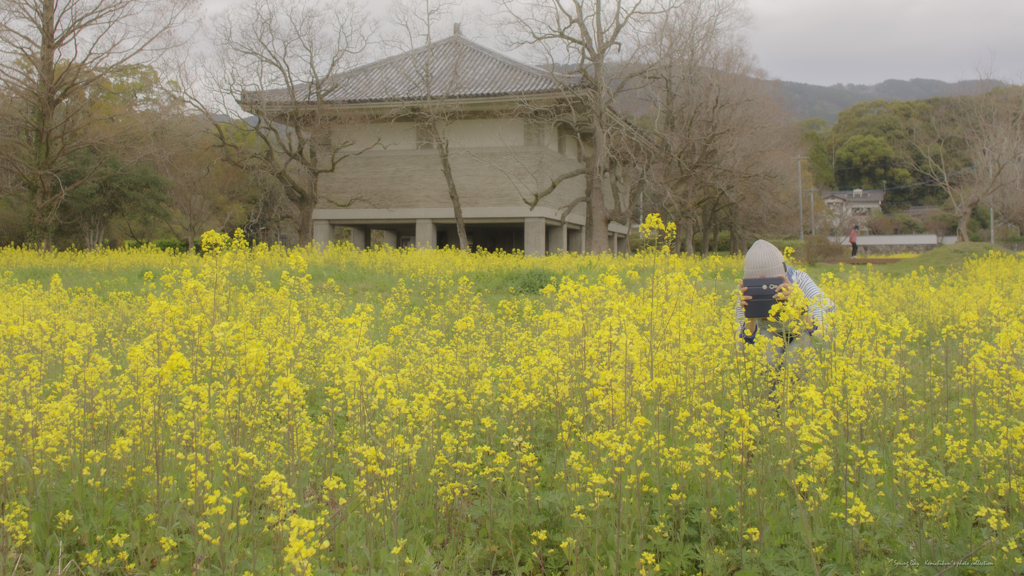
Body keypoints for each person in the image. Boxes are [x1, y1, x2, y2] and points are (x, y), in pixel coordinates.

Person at [736, 240, 835, 397]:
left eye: (770, 285)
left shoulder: (801, 282)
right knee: (762, 362)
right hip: (770, 334)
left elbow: (824, 335)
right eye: (758, 284)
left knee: (793, 362)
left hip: (804, 333)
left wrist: (799, 305)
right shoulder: (746, 292)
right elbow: (742, 351)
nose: (765, 289)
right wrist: (750, 317)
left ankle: (796, 404)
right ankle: (769, 406)